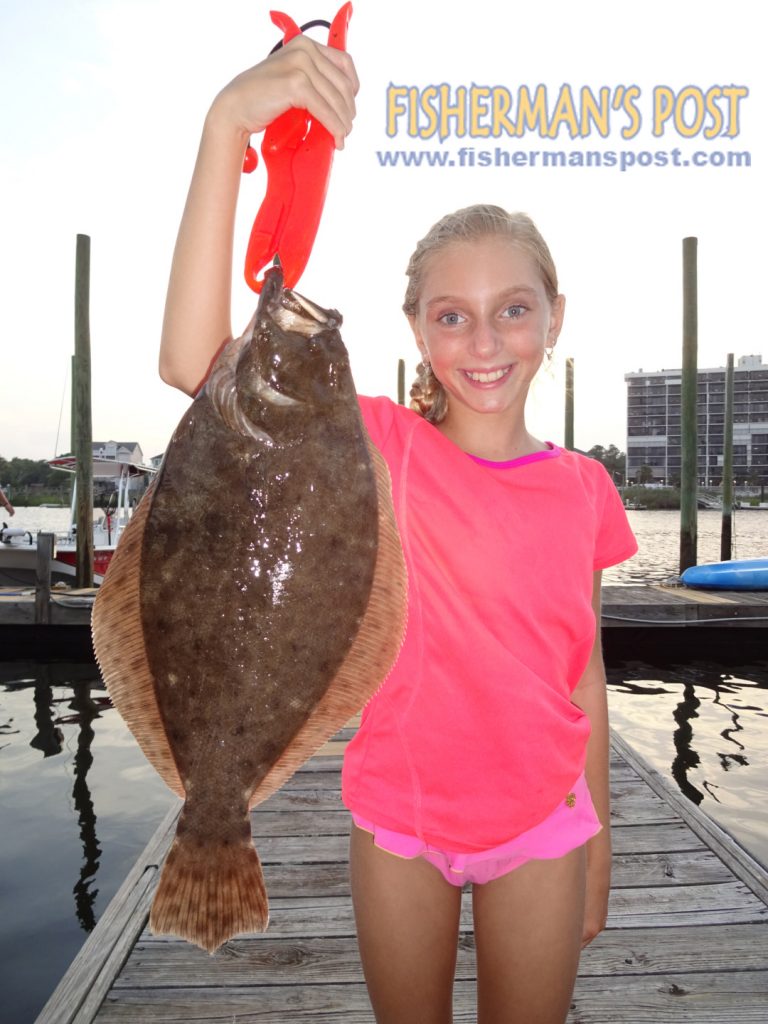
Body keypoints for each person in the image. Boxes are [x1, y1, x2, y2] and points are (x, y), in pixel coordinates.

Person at [158, 33, 637, 1024]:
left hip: (546, 826)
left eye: (512, 308)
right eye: (452, 316)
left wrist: (601, 846)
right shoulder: (377, 446)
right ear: (417, 329)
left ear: (555, 318)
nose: (485, 338)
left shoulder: (587, 488)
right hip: (398, 824)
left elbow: (581, 668)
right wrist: (227, 128)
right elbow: (191, 363)